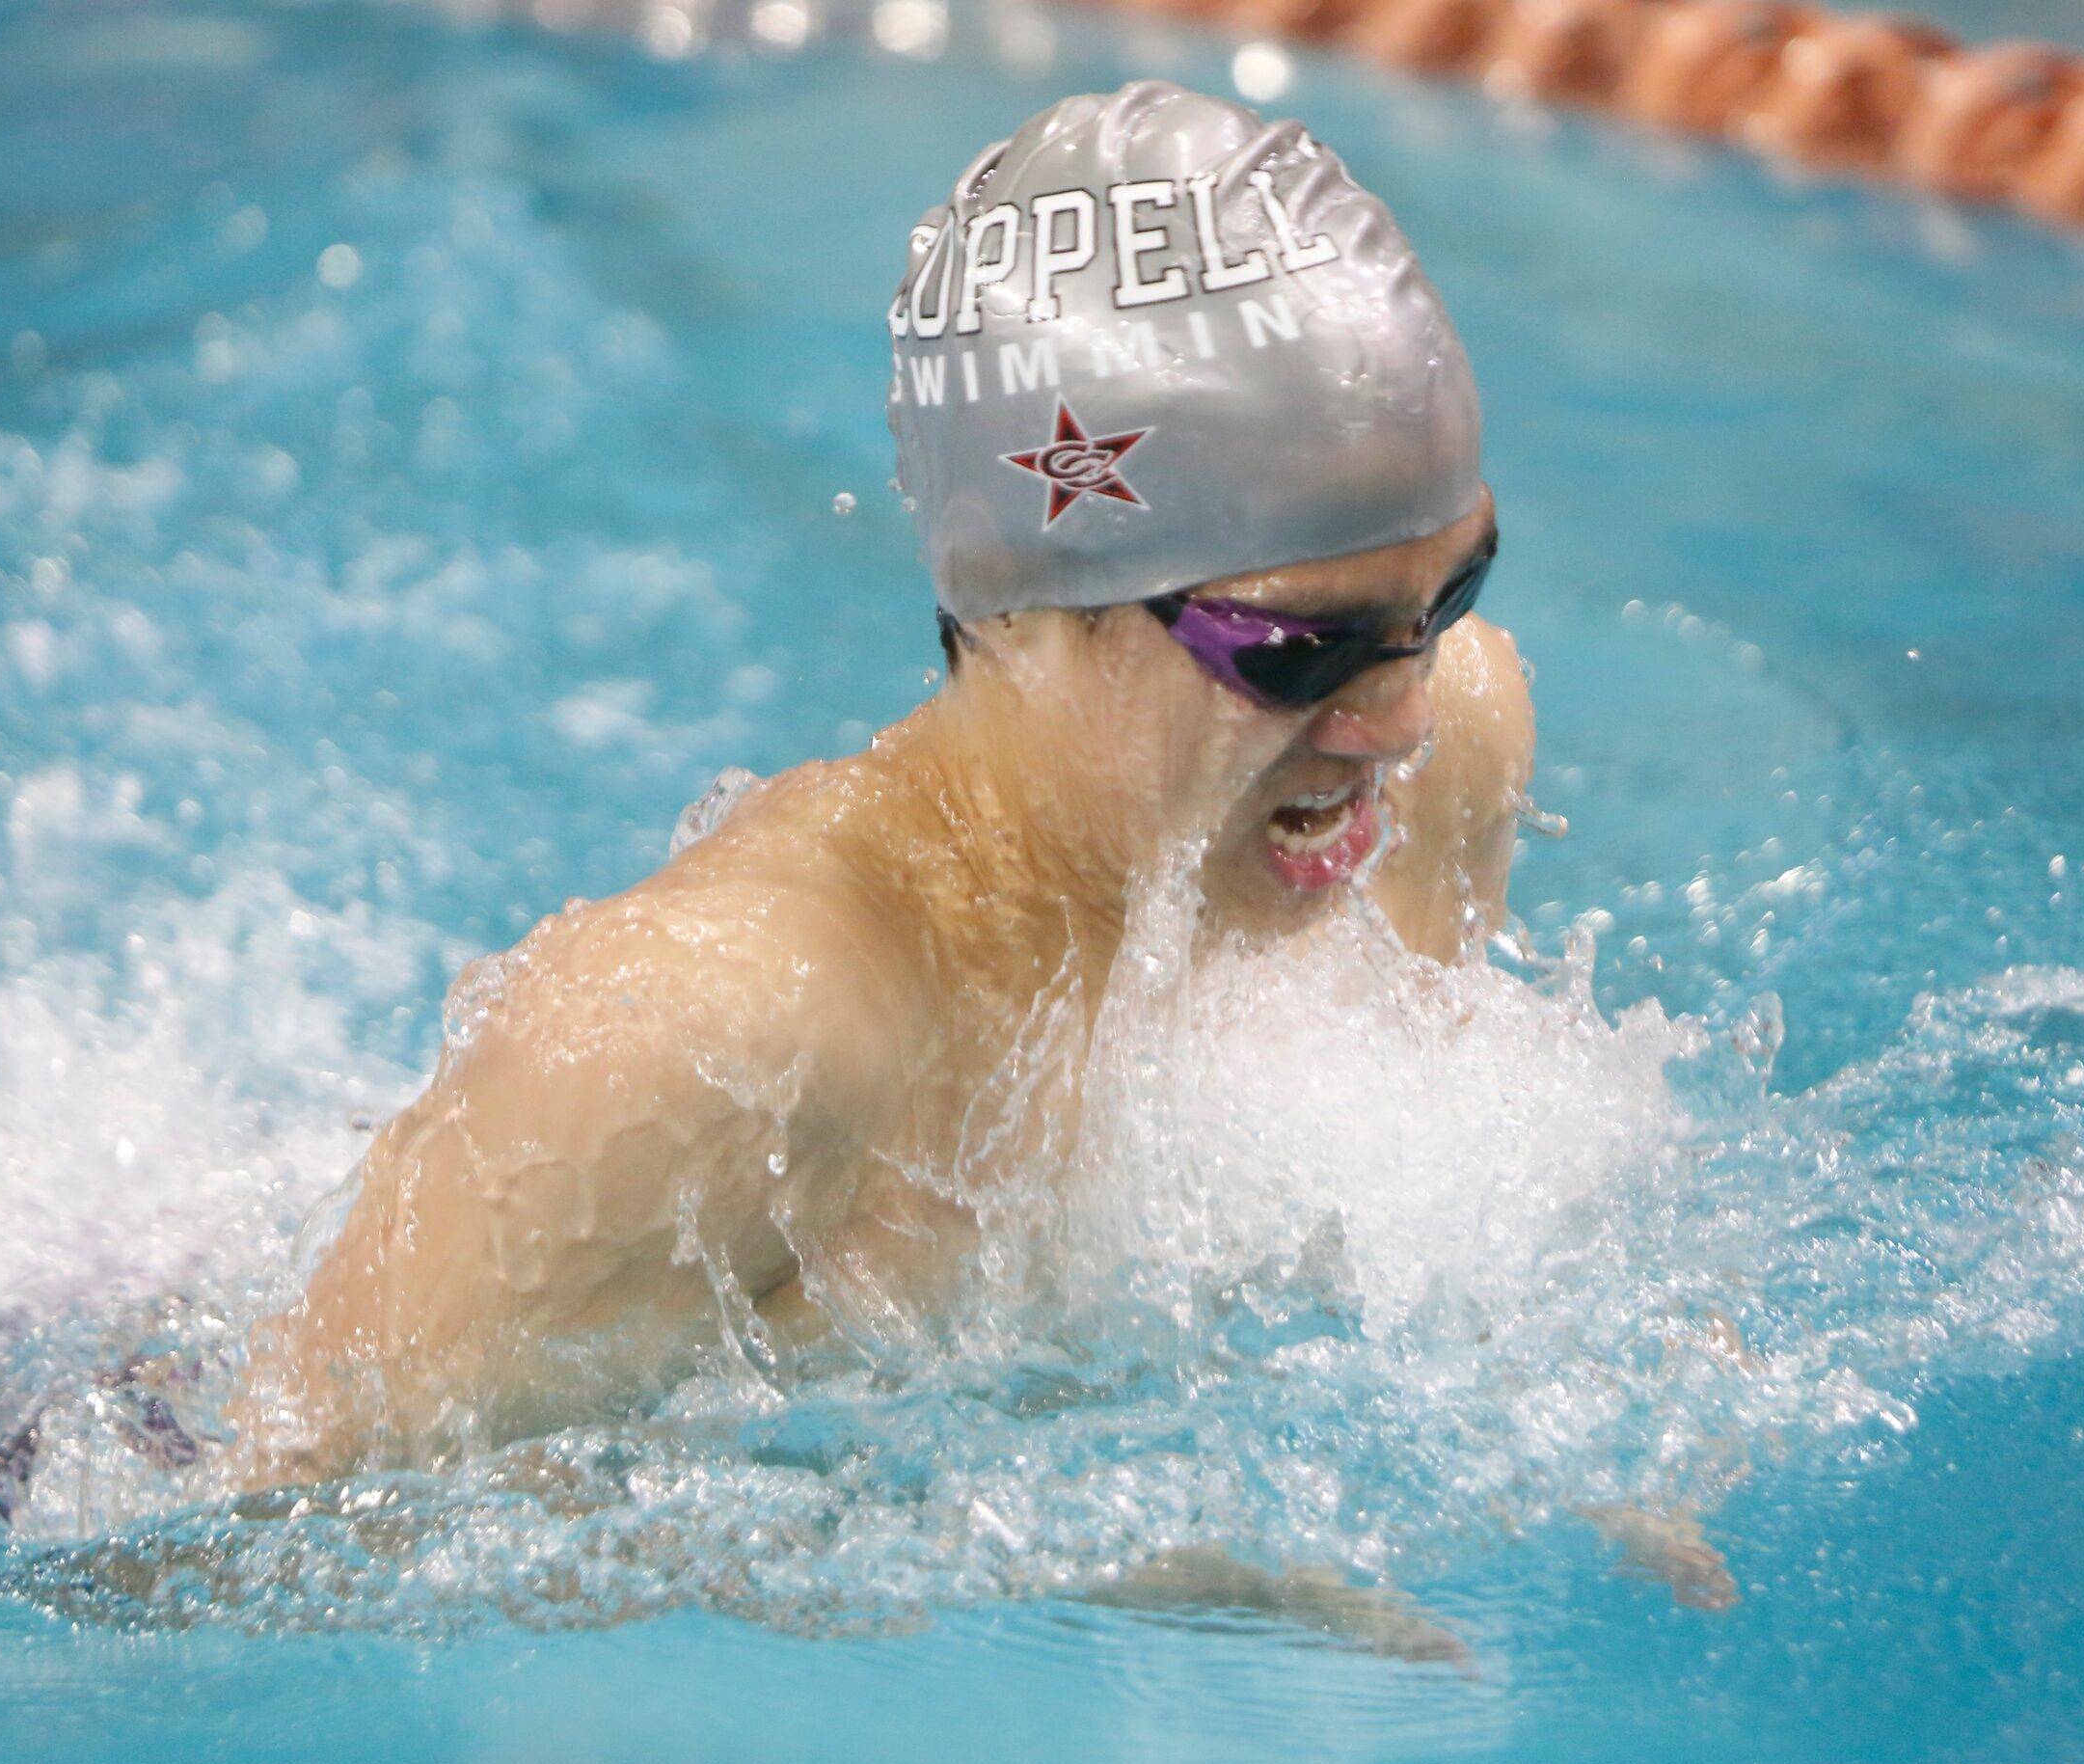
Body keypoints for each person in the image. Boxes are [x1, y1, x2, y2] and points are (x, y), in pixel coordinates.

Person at [230, 81, 1532, 1492]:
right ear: (1027, 604)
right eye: (1298, 652)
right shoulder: (711, 1048)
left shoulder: (1453, 741)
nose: (1399, 715)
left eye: (1448, 593)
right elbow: (259, 1547)